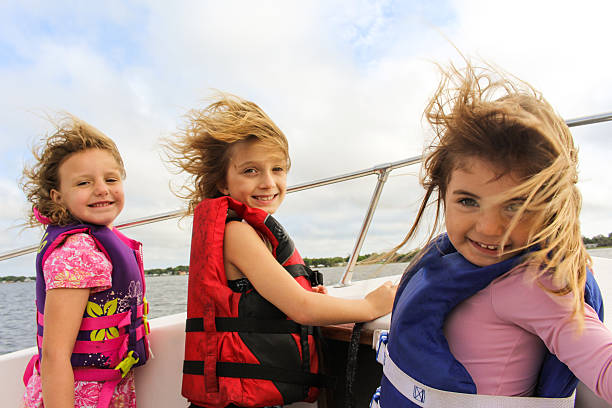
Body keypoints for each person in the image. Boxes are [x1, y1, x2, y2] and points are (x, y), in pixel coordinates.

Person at [370, 61, 612, 408]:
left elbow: (602, 363)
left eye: (516, 206)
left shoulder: (536, 286)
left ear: (551, 208)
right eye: (468, 201)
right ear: (444, 192)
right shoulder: (450, 262)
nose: (489, 228)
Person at [165, 93, 397, 408]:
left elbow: (275, 302)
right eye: (250, 171)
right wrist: (371, 305)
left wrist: (309, 298)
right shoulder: (236, 233)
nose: (269, 182)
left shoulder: (250, 231)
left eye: (278, 169)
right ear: (223, 182)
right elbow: (301, 308)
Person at [20, 115, 150, 408]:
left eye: (111, 179)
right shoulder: (77, 254)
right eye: (84, 182)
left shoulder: (97, 242)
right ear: (58, 197)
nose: (102, 189)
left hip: (107, 389)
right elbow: (55, 355)